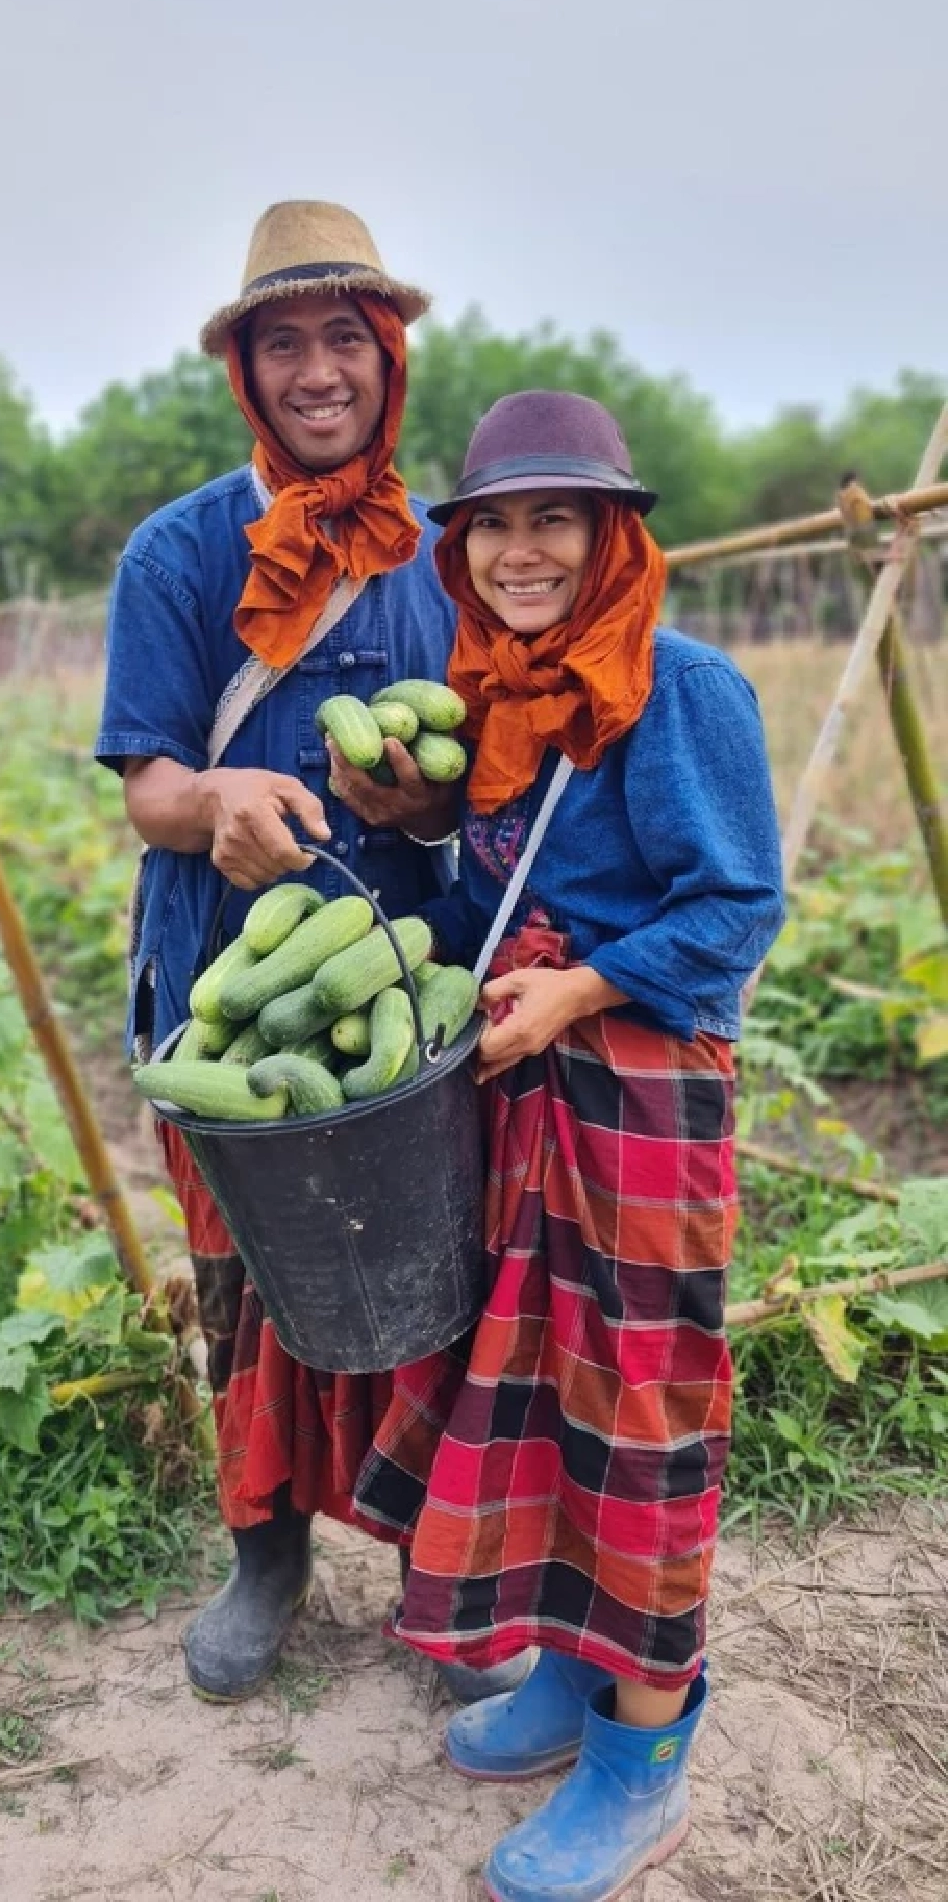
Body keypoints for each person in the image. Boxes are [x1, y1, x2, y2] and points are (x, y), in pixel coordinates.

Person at [345, 391, 785, 1902]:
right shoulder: (485, 703)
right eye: (494, 525)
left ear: (614, 535)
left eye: (557, 519)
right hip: (523, 1095)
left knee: (636, 1418)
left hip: (640, 1103)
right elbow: (479, 918)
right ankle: (560, 1672)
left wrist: (589, 983)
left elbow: (737, 908)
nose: (522, 551)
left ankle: (641, 1763)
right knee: (528, 1390)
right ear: (458, 549)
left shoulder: (679, 687)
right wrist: (411, 828)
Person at [95, 201, 523, 1708]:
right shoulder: (180, 553)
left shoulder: (453, 557)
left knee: (429, 1264)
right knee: (248, 1273)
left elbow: (506, 770)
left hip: (414, 981)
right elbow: (147, 779)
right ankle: (266, 1555)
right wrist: (212, 802)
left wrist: (436, 799)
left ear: (388, 358)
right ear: (247, 368)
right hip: (229, 968)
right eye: (288, 342)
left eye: (348, 337)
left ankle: (433, 1561)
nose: (320, 369)